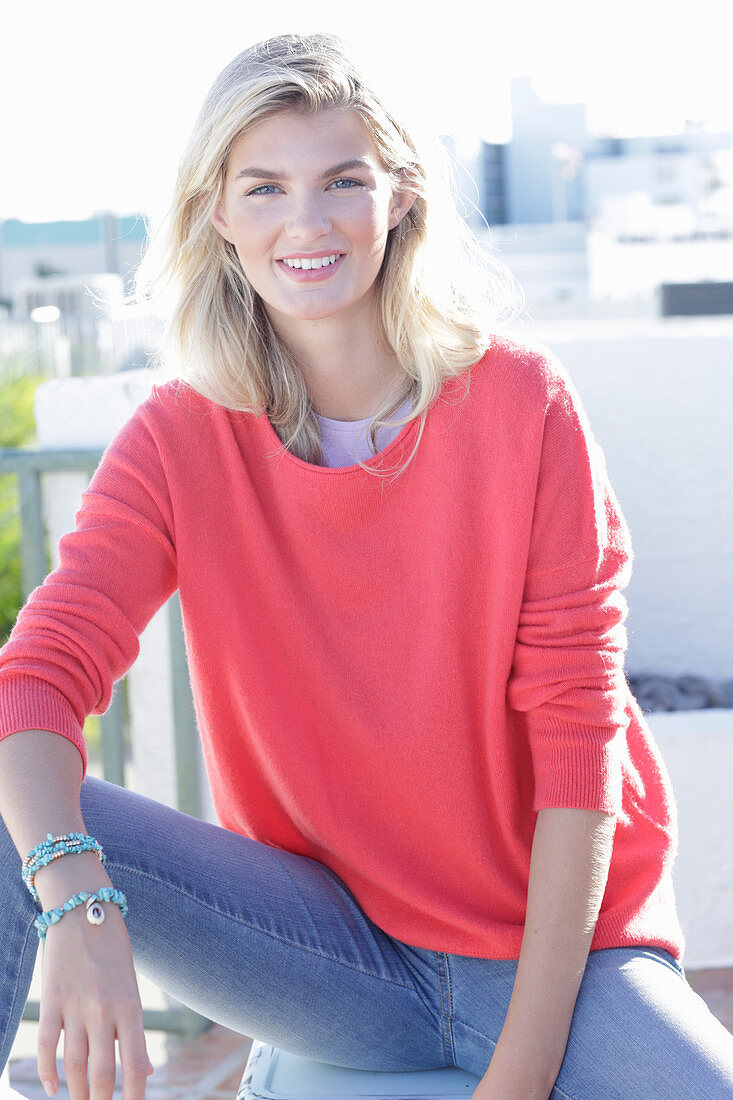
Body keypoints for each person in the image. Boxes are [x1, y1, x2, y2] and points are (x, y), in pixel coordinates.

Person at [0, 31, 732, 1100]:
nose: (307, 221)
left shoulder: (525, 405)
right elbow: (39, 675)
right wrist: (79, 902)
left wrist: (521, 1075)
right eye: (264, 187)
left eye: (342, 180)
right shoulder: (177, 438)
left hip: (563, 962)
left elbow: (583, 747)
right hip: (334, 956)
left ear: (400, 197)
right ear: (217, 214)